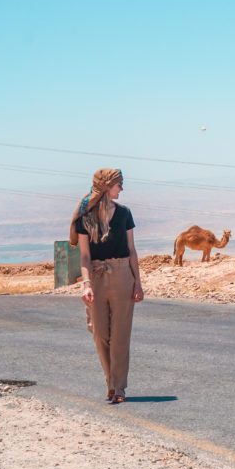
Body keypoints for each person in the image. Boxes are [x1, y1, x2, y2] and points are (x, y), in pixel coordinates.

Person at [70, 168, 144, 403]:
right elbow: (84, 255)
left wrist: (138, 283)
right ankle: (110, 380)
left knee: (121, 334)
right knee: (100, 333)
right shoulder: (85, 218)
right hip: (96, 277)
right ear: (106, 186)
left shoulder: (125, 214)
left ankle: (118, 387)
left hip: (123, 275)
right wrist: (86, 285)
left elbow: (132, 250)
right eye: (118, 184)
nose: (121, 188)